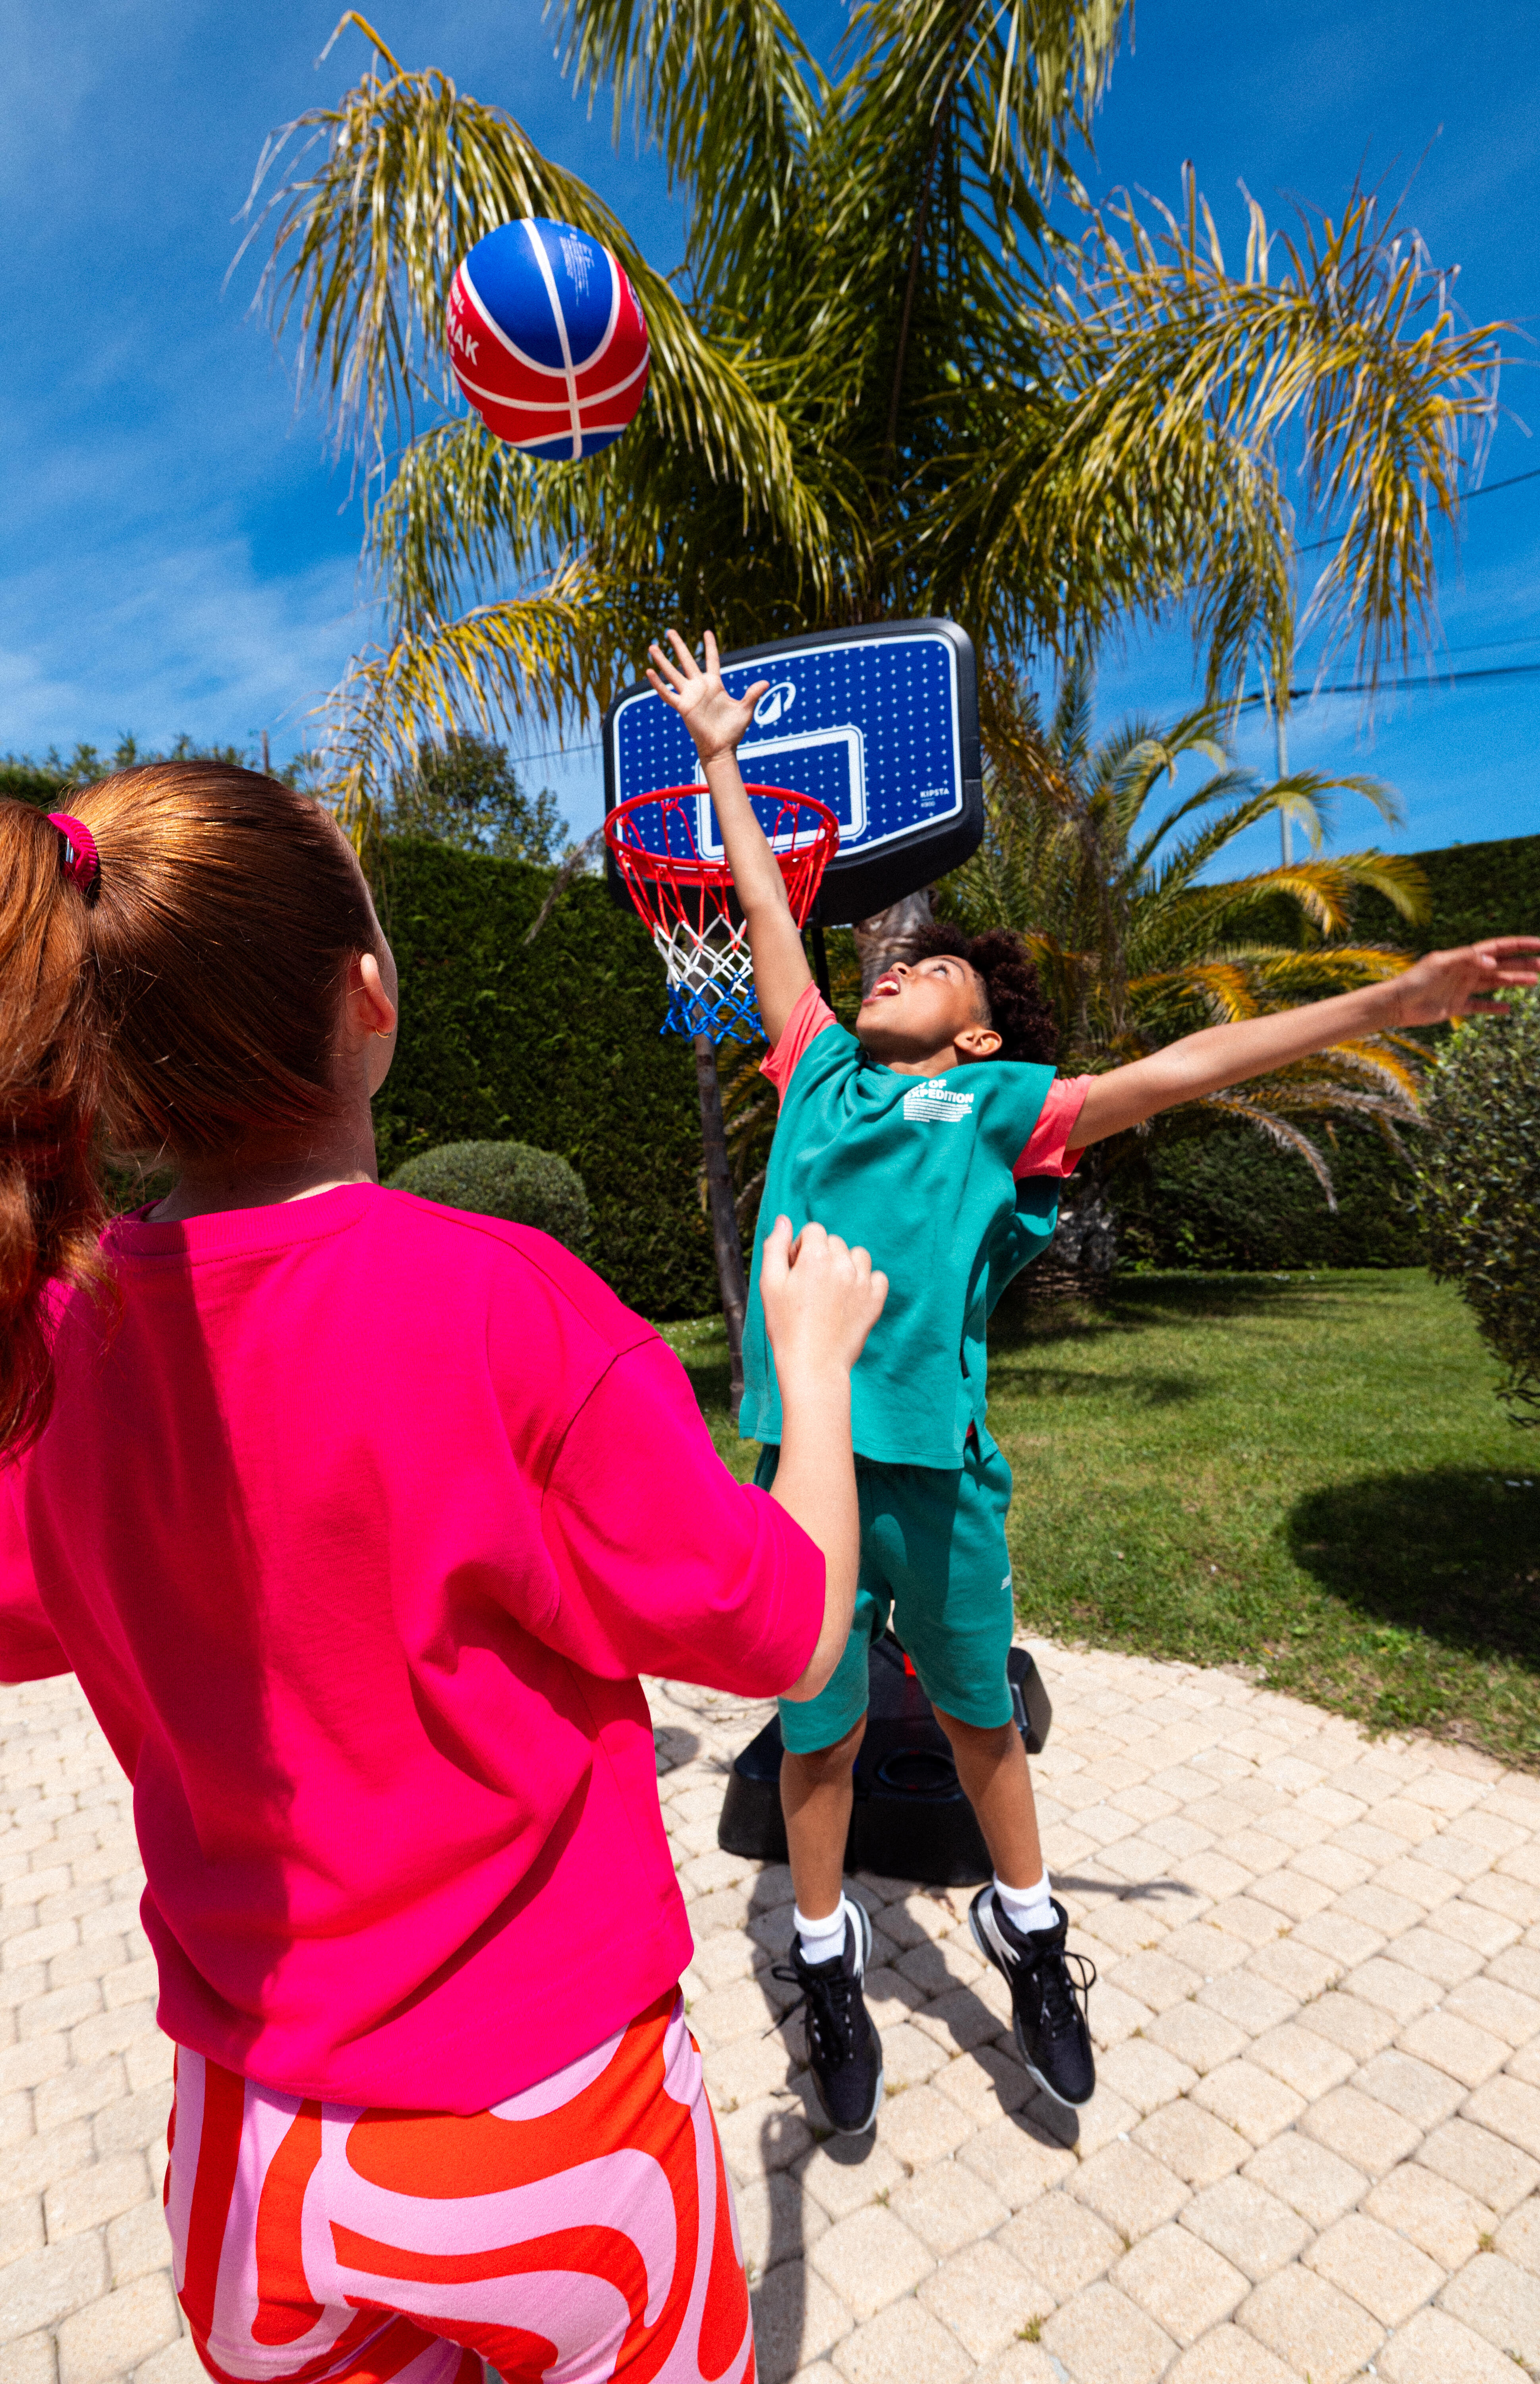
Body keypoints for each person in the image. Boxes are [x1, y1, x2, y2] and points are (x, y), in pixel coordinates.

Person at [0, 765, 888, 2383]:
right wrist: (815, 1368)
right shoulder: (505, 1307)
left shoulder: (55, 1354)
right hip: (554, 2135)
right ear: (367, 1002)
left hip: (248, 2166)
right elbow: (780, 1628)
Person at [645, 626, 1540, 2137]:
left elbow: (1191, 1065)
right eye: (891, 957)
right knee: (820, 1732)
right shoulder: (813, 1064)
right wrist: (724, 757)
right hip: (805, 1466)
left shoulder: (1004, 1106)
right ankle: (822, 1957)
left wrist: (1381, 1006)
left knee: (984, 1720)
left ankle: (1030, 1932)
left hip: (937, 1469)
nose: (894, 966)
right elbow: (760, 905)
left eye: (928, 966)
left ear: (981, 1031)